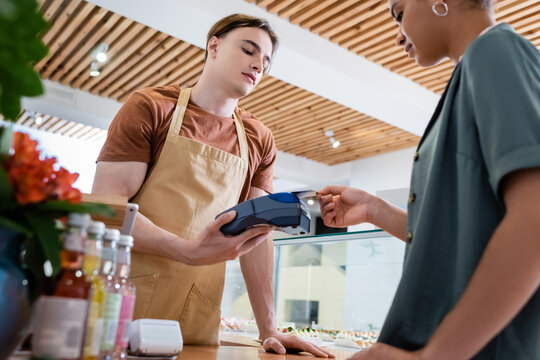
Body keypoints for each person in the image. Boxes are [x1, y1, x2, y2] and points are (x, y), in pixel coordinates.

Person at [93, 13, 334, 358]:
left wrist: (269, 329)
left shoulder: (258, 139)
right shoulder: (151, 107)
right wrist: (186, 250)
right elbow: (106, 209)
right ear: (214, 46)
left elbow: (258, 234)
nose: (257, 66)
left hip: (198, 316)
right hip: (124, 305)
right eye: (249, 50)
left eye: (265, 62)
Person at [318, 0, 540, 358]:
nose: (397, 36)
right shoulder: (473, 73)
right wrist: (375, 210)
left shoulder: (494, 49)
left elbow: (534, 220)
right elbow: (459, 233)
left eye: (400, 13)